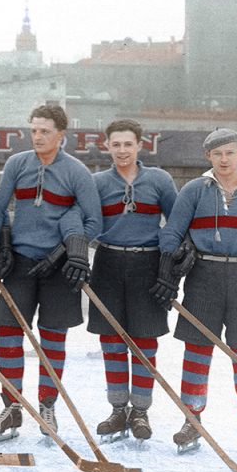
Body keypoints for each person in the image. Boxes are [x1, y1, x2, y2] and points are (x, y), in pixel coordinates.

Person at [153, 128, 237, 457]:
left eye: (229, 153)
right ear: (207, 157)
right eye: (217, 154)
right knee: (197, 351)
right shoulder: (195, 190)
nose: (224, 159)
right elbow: (172, 233)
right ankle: (192, 419)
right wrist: (167, 273)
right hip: (204, 275)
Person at [0, 104, 102, 440]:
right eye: (33, 130)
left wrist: (64, 252)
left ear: (61, 135)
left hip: (59, 269)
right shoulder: (17, 164)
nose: (37, 136)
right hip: (21, 263)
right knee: (7, 333)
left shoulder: (77, 172)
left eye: (45, 131)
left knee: (52, 339)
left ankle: (47, 405)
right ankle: (12, 408)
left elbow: (94, 222)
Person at [88, 119, 177, 442]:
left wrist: (169, 266)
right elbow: (82, 219)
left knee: (144, 342)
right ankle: (117, 409)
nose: (122, 150)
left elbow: (176, 222)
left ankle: (140, 411)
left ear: (140, 145)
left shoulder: (160, 180)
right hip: (108, 262)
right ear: (107, 146)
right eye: (116, 144)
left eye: (128, 144)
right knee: (111, 342)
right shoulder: (96, 182)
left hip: (147, 263)